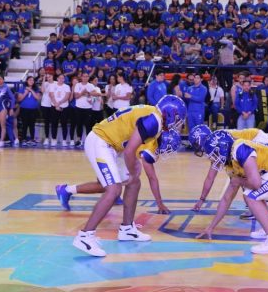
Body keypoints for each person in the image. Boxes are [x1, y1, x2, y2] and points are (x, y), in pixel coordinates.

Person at [61, 94, 186, 257]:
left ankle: (127, 229)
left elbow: (130, 147)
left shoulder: (153, 115)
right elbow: (129, 151)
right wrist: (133, 171)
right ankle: (85, 236)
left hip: (112, 145)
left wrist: (133, 173)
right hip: (101, 141)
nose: (177, 123)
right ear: (168, 113)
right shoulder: (154, 120)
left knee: (134, 183)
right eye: (177, 118)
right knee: (113, 190)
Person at [195, 130, 268, 255]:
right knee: (252, 193)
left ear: (222, 148)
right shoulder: (231, 162)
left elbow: (256, 183)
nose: (214, 159)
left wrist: (239, 181)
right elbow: (226, 199)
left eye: (215, 154)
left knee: (251, 196)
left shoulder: (240, 149)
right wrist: (210, 227)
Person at [56, 130, 181, 216]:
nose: (168, 152)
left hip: (113, 145)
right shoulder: (149, 149)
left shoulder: (154, 133)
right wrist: (160, 204)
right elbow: (152, 178)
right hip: (105, 144)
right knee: (111, 185)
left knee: (115, 182)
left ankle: (114, 195)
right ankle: (66, 190)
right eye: (168, 149)